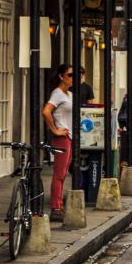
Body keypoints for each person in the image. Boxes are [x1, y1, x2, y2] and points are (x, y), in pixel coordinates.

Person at [42, 64, 74, 223]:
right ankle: (56, 207)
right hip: (62, 137)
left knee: (63, 173)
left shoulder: (69, 94)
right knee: (59, 173)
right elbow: (46, 111)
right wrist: (55, 130)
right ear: (61, 76)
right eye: (69, 75)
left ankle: (59, 205)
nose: (73, 78)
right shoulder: (57, 93)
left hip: (69, 137)